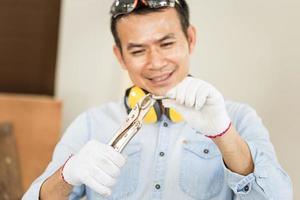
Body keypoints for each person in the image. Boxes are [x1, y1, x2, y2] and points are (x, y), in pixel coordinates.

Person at [23, 0, 293, 199]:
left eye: (166, 44)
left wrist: (224, 134)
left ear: (190, 39)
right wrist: (66, 175)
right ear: (120, 57)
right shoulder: (91, 124)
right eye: (138, 50)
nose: (156, 63)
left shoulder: (240, 119)